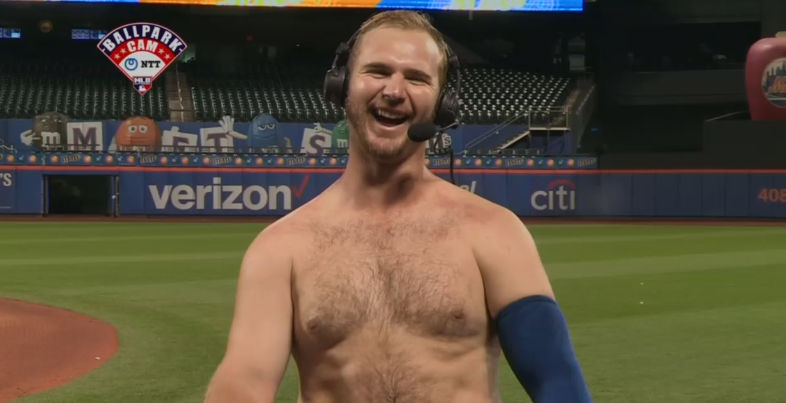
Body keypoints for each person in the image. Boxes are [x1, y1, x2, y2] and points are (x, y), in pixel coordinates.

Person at [203, 10, 592, 403]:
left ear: (442, 104)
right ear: (342, 85)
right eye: (378, 71)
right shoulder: (280, 249)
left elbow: (555, 376)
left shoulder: (495, 232)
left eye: (417, 78)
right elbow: (245, 382)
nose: (393, 90)